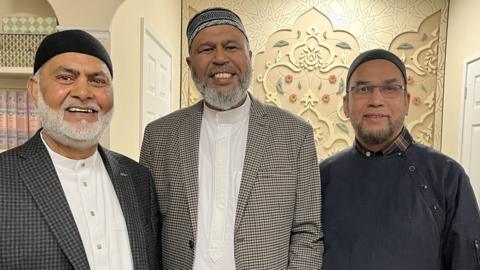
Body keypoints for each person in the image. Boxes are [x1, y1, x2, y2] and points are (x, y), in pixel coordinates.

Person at [140, 7, 322, 269]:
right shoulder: (159, 135)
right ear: (191, 64)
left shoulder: (295, 134)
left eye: (231, 47)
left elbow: (308, 232)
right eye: (206, 49)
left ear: (249, 57)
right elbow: (148, 227)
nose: (220, 58)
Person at [0, 30, 160, 270]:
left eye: (97, 80)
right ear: (35, 90)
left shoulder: (138, 178)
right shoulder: (4, 177)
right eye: (65, 77)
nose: (83, 93)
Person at [320, 48, 480, 270]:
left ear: (406, 102)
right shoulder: (322, 176)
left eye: (390, 88)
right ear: (346, 104)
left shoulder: (447, 177)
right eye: (363, 89)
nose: (376, 100)